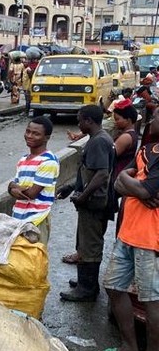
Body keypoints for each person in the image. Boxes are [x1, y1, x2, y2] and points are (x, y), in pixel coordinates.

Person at [99, 108, 159, 351]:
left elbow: (145, 191)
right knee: (113, 286)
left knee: (151, 300)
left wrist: (133, 184)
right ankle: (129, 349)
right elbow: (121, 183)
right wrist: (129, 180)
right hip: (129, 232)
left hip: (151, 238)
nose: (153, 119)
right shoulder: (148, 149)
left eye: (157, 115)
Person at [56, 105, 115, 302]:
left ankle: (87, 288)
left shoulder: (98, 142)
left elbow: (101, 174)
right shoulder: (99, 139)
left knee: (89, 245)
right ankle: (85, 282)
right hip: (92, 200)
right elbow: (88, 171)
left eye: (80, 120)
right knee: (84, 241)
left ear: (89, 121)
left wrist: (83, 196)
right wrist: (72, 187)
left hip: (94, 203)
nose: (78, 123)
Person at [7, 116, 59, 245]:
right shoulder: (23, 160)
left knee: (34, 261)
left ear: (47, 137)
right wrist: (13, 187)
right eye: (28, 131)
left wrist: (13, 188)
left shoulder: (49, 162)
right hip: (18, 217)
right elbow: (14, 186)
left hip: (36, 220)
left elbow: (30, 194)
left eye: (36, 134)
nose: (29, 136)